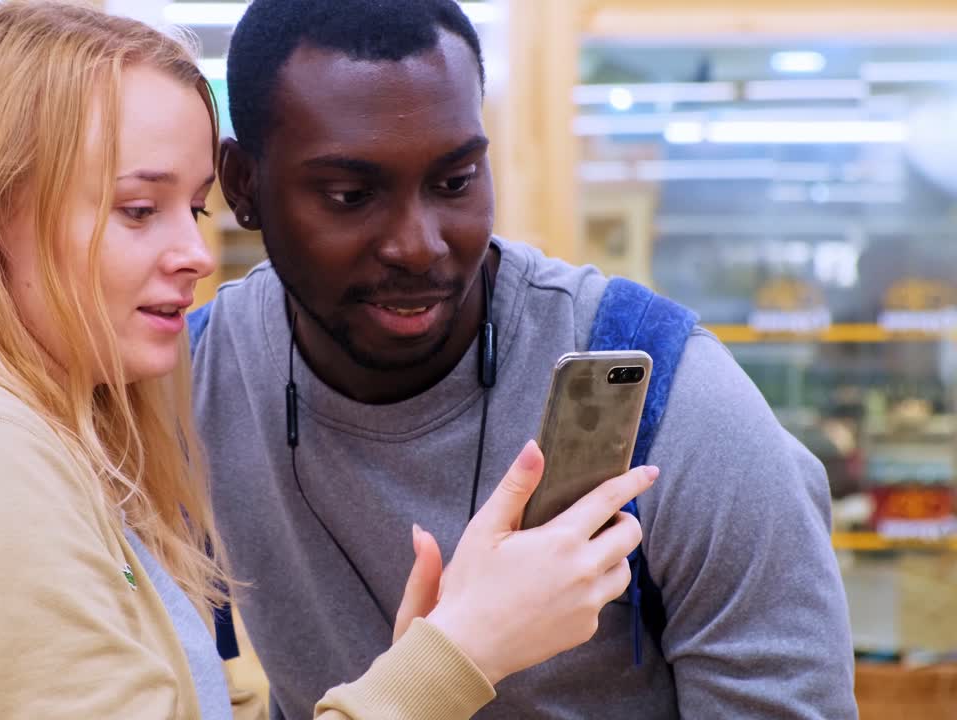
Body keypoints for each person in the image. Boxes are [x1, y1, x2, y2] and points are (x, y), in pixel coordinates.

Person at [0, 2, 654, 719]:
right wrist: (460, 655)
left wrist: (422, 658)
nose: (196, 253)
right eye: (135, 209)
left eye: (191, 208)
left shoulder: (32, 436)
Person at [190, 0, 858, 718]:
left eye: (454, 183)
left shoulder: (673, 400)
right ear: (243, 185)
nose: (417, 245)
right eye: (351, 195)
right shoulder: (185, 389)